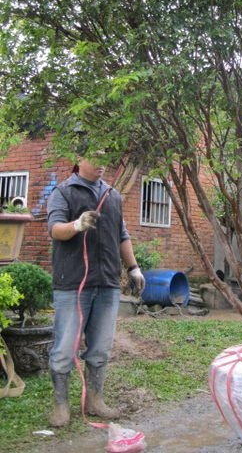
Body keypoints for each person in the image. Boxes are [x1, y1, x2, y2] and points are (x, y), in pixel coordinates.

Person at [46, 152, 145, 427]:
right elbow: (54, 229)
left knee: (101, 347)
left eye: (107, 157)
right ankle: (61, 405)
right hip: (73, 285)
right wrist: (77, 225)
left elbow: (121, 234)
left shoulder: (112, 195)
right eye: (96, 156)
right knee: (65, 347)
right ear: (79, 158)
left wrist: (133, 267)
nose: (103, 162)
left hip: (107, 284)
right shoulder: (63, 192)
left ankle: (95, 400)